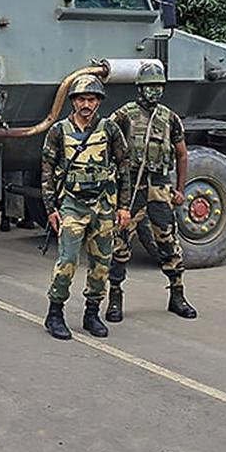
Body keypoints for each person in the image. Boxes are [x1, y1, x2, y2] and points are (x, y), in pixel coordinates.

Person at [40, 74, 131, 340]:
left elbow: (123, 166)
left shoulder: (109, 129)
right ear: (73, 102)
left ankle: (92, 313)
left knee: (102, 263)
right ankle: (54, 313)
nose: (86, 104)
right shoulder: (58, 131)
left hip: (103, 205)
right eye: (81, 99)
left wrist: (123, 207)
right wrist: (50, 209)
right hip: (72, 205)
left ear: (98, 102)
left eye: (91, 99)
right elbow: (46, 171)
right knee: (67, 261)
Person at [106, 60, 196, 322]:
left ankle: (177, 295)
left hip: (159, 186)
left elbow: (182, 155)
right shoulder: (124, 115)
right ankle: (114, 298)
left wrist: (179, 189)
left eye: (158, 86)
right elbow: (106, 144)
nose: (154, 91)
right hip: (131, 187)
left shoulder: (169, 117)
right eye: (149, 86)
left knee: (168, 240)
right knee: (120, 242)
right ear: (139, 88)